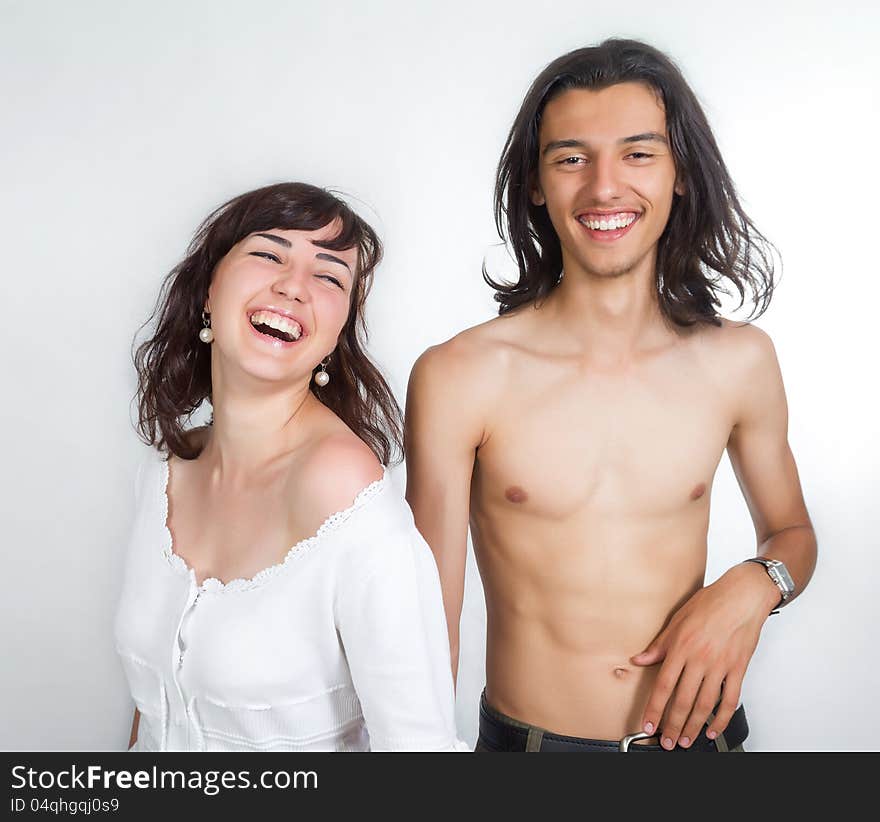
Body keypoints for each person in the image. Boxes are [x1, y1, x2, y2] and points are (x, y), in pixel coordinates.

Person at [405, 39, 817, 752]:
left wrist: (754, 584)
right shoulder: (461, 374)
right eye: (571, 158)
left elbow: (794, 536)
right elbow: (420, 628)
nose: (603, 189)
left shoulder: (739, 361)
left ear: (680, 173)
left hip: (703, 752)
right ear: (535, 183)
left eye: (637, 154)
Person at [115, 182, 464, 752]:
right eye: (268, 253)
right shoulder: (162, 477)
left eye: (329, 276)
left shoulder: (349, 500)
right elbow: (154, 714)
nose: (293, 286)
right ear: (208, 289)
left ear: (336, 333)